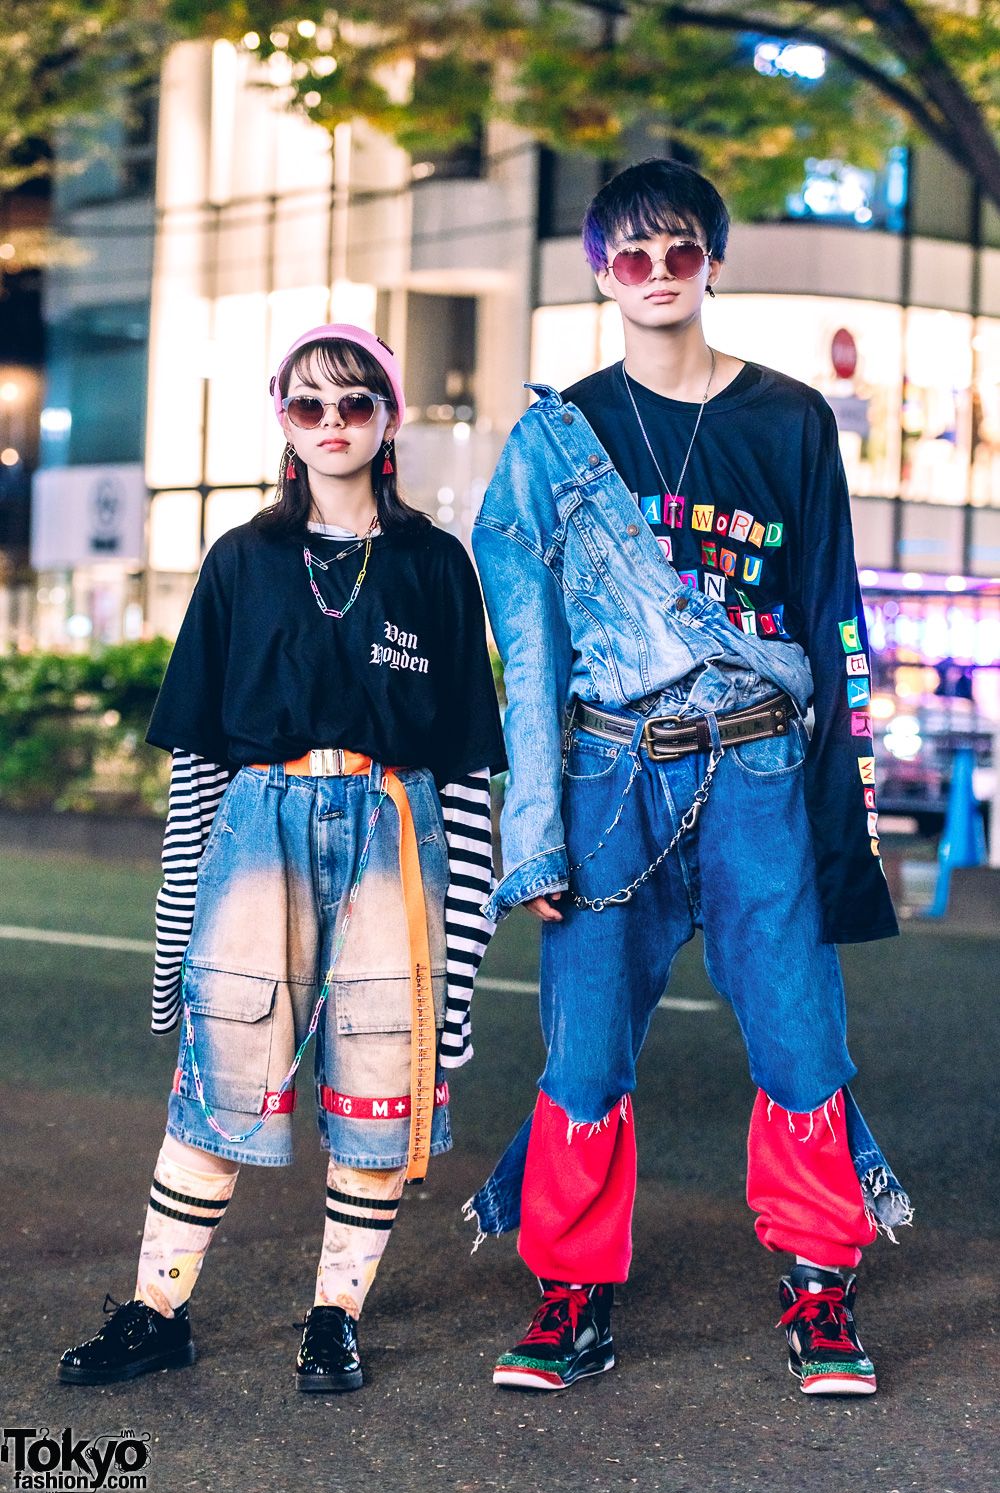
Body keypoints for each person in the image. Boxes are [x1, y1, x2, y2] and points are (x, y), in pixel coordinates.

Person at [468, 160, 910, 1397]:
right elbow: (530, 654)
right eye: (630, 256)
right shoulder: (559, 441)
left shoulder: (786, 419)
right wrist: (536, 833)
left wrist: (845, 810)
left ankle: (820, 1287)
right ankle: (570, 1291)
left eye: (679, 253)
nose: (656, 276)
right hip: (612, 771)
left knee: (797, 1031)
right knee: (586, 1040)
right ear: (598, 273)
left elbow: (834, 620)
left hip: (766, 761)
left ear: (712, 262)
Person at [58, 324, 506, 1392]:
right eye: (310, 406)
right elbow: (201, 768)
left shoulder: (436, 566)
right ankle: (157, 1309)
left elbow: (466, 775)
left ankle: (332, 1317)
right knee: (220, 1078)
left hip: (399, 827)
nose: (335, 424)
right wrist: (174, 946)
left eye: (356, 404)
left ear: (389, 418)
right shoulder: (242, 561)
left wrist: (464, 974)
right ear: (284, 422)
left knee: (380, 1087)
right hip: (259, 824)